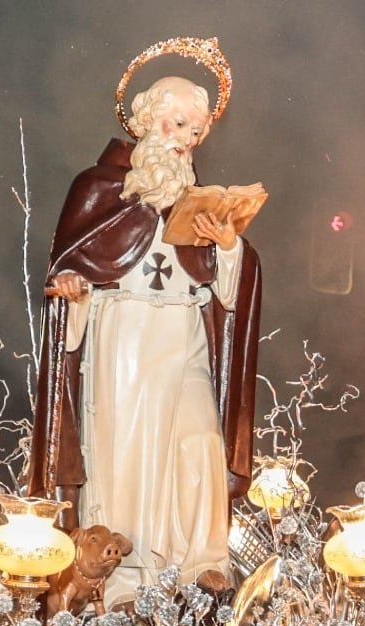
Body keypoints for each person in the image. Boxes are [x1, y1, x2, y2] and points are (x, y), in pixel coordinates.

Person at [30, 69, 264, 591]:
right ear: (145, 118)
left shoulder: (196, 198)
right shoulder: (96, 188)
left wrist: (226, 245)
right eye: (178, 123)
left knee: (201, 438)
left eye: (196, 131)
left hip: (186, 328)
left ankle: (204, 561)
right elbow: (71, 265)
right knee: (129, 449)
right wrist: (74, 287)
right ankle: (126, 579)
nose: (186, 139)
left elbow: (228, 294)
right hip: (126, 328)